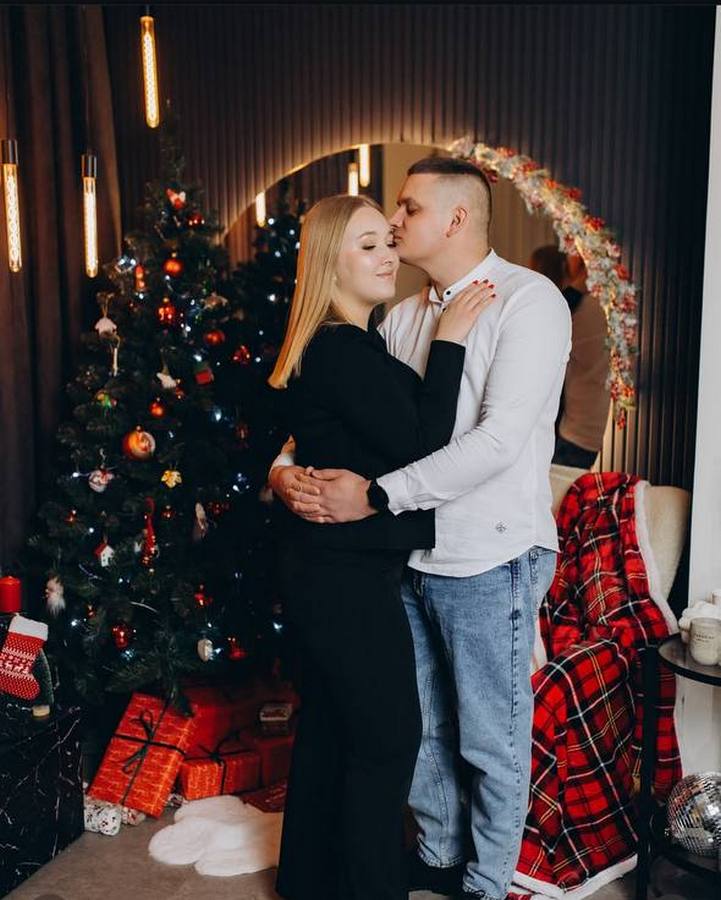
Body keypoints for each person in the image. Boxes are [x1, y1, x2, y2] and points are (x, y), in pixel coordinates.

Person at [271, 157, 571, 900]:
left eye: (407, 209)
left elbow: (494, 442)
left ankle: (487, 883)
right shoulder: (400, 315)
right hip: (404, 558)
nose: (396, 222)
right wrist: (282, 470)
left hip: (487, 553)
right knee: (423, 731)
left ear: (456, 219)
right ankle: (437, 857)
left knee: (488, 738)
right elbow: (350, 420)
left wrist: (376, 496)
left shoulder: (527, 301)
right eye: (383, 223)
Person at [529, 245, 611, 469]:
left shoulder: (579, 310)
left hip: (576, 430)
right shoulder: (591, 306)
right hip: (587, 426)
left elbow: (554, 315)